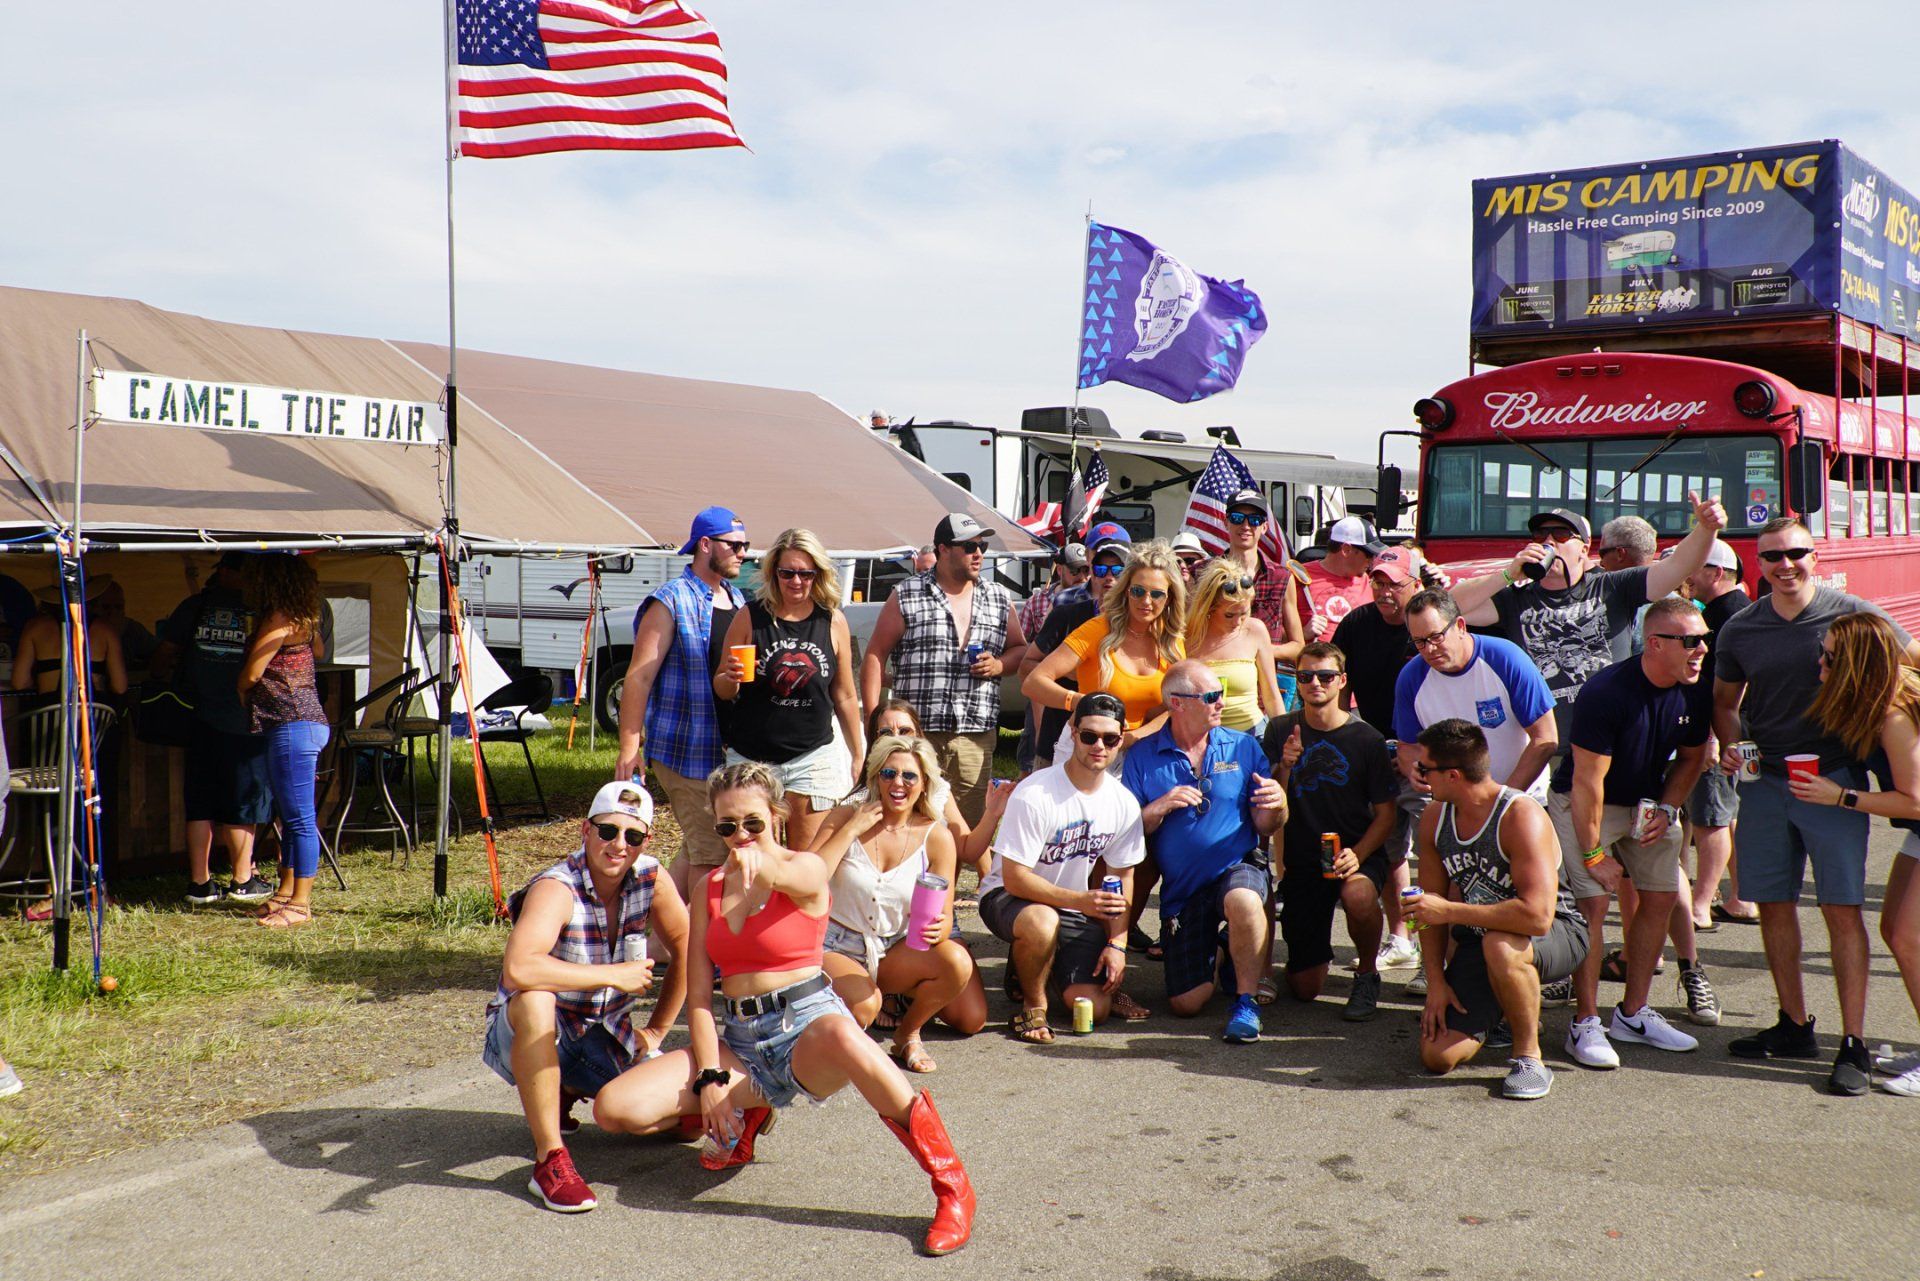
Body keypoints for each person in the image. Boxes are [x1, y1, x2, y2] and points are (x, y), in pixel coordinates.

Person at [591, 762, 976, 1256]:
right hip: (742, 1039)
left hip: (808, 1026)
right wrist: (710, 1082)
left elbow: (784, 872)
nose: (740, 836)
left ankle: (951, 1186)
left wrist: (759, 865)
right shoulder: (707, 888)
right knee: (615, 1109)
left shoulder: (805, 868)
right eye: (726, 827)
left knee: (843, 1034)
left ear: (775, 816)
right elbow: (702, 1000)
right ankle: (750, 1107)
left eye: (752, 823)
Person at [1713, 517, 1918, 1093]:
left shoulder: (1853, 613)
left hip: (1834, 780)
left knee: (1842, 910)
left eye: (1795, 553)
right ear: (1758, 564)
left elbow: (1913, 662)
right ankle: (1794, 1024)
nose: (1785, 565)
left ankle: (1852, 1042)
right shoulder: (1740, 629)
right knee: (1773, 906)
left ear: (1815, 555)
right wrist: (1735, 747)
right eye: (1772, 556)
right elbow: (1725, 702)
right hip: (1767, 782)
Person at [482, 781, 689, 1212]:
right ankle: (550, 1160)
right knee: (536, 997)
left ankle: (566, 1087)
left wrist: (658, 1029)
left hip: (602, 1034)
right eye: (607, 831)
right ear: (585, 830)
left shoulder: (651, 876)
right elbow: (519, 968)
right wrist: (612, 975)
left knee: (684, 1126)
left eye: (632, 836)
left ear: (646, 841)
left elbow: (690, 946)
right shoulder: (557, 887)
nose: (618, 845)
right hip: (533, 1030)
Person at [1553, 599, 1718, 1072]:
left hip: (1648, 803)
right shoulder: (1607, 691)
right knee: (1594, 905)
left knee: (1663, 898)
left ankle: (1632, 1014)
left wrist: (1668, 808)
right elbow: (1587, 784)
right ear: (1654, 644)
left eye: (1704, 638)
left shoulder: (1694, 690)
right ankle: (1584, 1022)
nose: (1701, 649)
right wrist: (1593, 854)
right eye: (1690, 641)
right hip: (1589, 804)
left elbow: (1690, 759)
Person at [1409, 720, 1590, 1101]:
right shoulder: (1433, 818)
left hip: (1556, 932)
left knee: (1500, 945)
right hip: (1484, 938)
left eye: (1425, 769)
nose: (1418, 775)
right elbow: (1429, 910)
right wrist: (1436, 983)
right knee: (1437, 1057)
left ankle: (1529, 1057)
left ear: (1453, 775)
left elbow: (1537, 917)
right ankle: (1502, 1009)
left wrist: (1451, 911)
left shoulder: (1520, 815)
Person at [1445, 496, 1727, 739]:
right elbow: (1447, 609)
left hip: (1613, 740)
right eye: (1540, 536)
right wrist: (1508, 574)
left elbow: (1678, 567)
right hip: (1548, 745)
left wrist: (1706, 528)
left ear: (1584, 547)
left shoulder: (1613, 586)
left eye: (1561, 535)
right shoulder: (1515, 599)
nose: (1549, 542)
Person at [1123, 661, 1286, 1041]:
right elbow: (1128, 834)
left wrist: (1277, 805)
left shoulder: (1243, 745)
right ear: (1177, 704)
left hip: (1236, 865)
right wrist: (1158, 807)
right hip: (1184, 889)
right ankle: (1226, 951)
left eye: (1222, 692)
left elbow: (1267, 825)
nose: (1221, 702)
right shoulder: (1143, 756)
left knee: (1244, 899)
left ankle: (1246, 1003)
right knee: (1186, 1003)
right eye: (1211, 696)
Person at [1793, 614, 1920, 1096]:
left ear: (1856, 665)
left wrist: (1840, 797)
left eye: (1828, 657)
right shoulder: (1888, 689)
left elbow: (1915, 799)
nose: (1820, 665)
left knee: (1907, 938)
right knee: (1897, 932)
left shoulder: (1893, 712)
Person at [813, 735, 987, 1072]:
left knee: (957, 961)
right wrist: (850, 830)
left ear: (924, 785)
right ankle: (820, 1023)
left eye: (909, 776)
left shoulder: (936, 836)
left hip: (895, 947)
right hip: (837, 944)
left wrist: (942, 926)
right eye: (888, 773)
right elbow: (810, 877)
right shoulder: (845, 816)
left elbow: (946, 914)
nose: (898, 783)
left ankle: (908, 1034)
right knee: (865, 1006)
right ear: (875, 777)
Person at [979, 693, 1147, 1041]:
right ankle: (1033, 1005)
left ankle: (1038, 962)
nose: (1099, 746)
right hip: (1005, 896)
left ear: (1121, 739)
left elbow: (1122, 878)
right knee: (1042, 921)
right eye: (1089, 736)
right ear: (1072, 731)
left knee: (1093, 1009)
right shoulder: (1035, 793)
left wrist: (1117, 944)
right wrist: (1081, 901)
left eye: (1110, 739)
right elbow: (1013, 879)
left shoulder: (1123, 803)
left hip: (1069, 903)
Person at [615, 505, 751, 899]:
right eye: (735, 545)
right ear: (705, 544)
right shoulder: (670, 599)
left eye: (746, 546)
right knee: (710, 855)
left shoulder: (737, 599)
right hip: (685, 748)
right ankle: (694, 952)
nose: (743, 553)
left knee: (698, 847)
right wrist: (629, 746)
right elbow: (639, 676)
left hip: (726, 750)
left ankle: (653, 935)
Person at [861, 512, 1027, 826]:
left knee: (965, 827)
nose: (978, 553)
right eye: (969, 547)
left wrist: (999, 664)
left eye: (983, 546)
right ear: (944, 549)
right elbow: (875, 656)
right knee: (908, 823)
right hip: (915, 736)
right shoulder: (907, 594)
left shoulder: (998, 597)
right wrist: (874, 724)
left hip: (974, 735)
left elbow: (1021, 649)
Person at [1264, 643, 1399, 1020]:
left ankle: (1367, 972)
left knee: (1358, 896)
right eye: (1305, 676)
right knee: (1305, 990)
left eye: (1325, 676)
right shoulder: (1279, 729)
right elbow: (1268, 800)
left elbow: (1386, 815)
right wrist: (1286, 766)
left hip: (1357, 851)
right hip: (1302, 859)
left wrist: (1359, 853)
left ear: (1341, 681)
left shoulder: (1367, 739)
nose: (1315, 684)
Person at [713, 527, 865, 851]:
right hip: (752, 756)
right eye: (788, 573)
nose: (796, 581)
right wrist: (731, 678)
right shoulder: (751, 617)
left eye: (805, 574)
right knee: (752, 857)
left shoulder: (832, 621)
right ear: (774, 573)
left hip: (812, 757)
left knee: (807, 860)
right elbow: (723, 689)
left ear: (817, 574)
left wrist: (858, 753)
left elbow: (845, 695)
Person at [156, 552, 275, 906]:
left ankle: (200, 884)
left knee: (201, 802)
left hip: (196, 715)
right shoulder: (260, 611)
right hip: (243, 719)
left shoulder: (194, 605)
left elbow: (164, 653)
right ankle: (242, 880)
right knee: (244, 801)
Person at [1331, 546, 1426, 969]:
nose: (1385, 591)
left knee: (1437, 854)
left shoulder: (1427, 623)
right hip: (1375, 751)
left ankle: (1437, 955)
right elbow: (1336, 682)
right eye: (1378, 581)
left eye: (1395, 583)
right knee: (1390, 853)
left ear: (1416, 585)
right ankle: (1401, 940)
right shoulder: (1356, 622)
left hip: (1427, 757)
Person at [1023, 538, 1185, 764]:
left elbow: (1177, 706)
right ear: (1126, 591)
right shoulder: (1098, 629)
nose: (1146, 601)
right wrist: (1080, 702)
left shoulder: (1172, 642)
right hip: (1087, 749)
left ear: (1169, 598)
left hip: (1143, 753)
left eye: (1156, 594)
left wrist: (1135, 736)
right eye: (1138, 591)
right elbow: (1033, 682)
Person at [235, 555, 331, 928]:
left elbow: (255, 671)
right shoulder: (301, 619)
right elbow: (319, 652)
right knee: (290, 818)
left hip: (293, 724)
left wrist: (241, 687)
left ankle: (301, 904)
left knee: (300, 819)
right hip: (301, 724)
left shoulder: (279, 618)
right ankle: (285, 894)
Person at [1393, 590, 1558, 800]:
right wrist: (1414, 770)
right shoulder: (1411, 678)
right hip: (1456, 806)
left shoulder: (1506, 659)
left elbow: (1545, 738)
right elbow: (1407, 746)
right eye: (1419, 642)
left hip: (1523, 801)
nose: (1430, 649)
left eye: (1436, 636)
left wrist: (1502, 800)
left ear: (1460, 626)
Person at [866, 698, 1010, 892]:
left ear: (919, 735)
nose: (896, 737)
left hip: (928, 905)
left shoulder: (938, 790)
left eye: (905, 731)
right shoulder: (858, 799)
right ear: (873, 738)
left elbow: (968, 851)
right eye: (885, 732)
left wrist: (992, 813)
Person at [1687, 540, 1757, 928]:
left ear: (1716, 572)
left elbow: (1736, 682)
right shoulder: (1730, 610)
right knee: (1728, 814)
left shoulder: (1728, 614)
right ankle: (1742, 897)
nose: (1688, 576)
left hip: (1724, 729)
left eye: (1696, 567)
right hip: (1737, 730)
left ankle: (1700, 905)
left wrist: (1715, 737)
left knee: (1711, 816)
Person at [1021, 525, 1130, 770]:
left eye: (1118, 569)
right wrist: (1068, 676)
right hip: (1059, 736)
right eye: (1101, 569)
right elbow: (1026, 668)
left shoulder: (1142, 624)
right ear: (1091, 568)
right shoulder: (1066, 612)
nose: (1109, 577)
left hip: (1118, 744)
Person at [1222, 489, 1306, 707]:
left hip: (1264, 696)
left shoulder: (1282, 577)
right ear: (1226, 522)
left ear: (1265, 527)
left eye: (1255, 519)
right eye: (1238, 518)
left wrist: (1259, 649)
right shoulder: (1203, 573)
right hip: (1217, 693)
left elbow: (1298, 646)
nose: (1246, 526)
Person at [1182, 558, 1285, 735]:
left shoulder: (1256, 630)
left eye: (1244, 613)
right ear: (1210, 608)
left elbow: (1271, 695)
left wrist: (1284, 736)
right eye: (1229, 615)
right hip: (1202, 738)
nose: (1238, 622)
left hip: (1252, 735)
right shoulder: (1188, 636)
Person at [1016, 544, 1087, 773]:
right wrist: (1059, 667)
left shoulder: (1099, 605)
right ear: (1060, 570)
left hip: (1077, 698)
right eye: (1075, 570)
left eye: (1086, 570)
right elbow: (1024, 650)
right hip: (1044, 690)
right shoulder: (1040, 602)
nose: (1082, 577)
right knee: (1034, 751)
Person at [12, 577, 129, 708]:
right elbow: (120, 687)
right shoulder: (106, 629)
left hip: (48, 718)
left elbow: (19, 682)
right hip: (93, 718)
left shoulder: (34, 628)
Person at [1303, 516, 1385, 642]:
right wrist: (1302, 633)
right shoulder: (1299, 577)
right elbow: (1271, 630)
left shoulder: (1371, 582)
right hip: (1312, 659)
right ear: (1346, 550)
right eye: (1369, 554)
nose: (1372, 560)